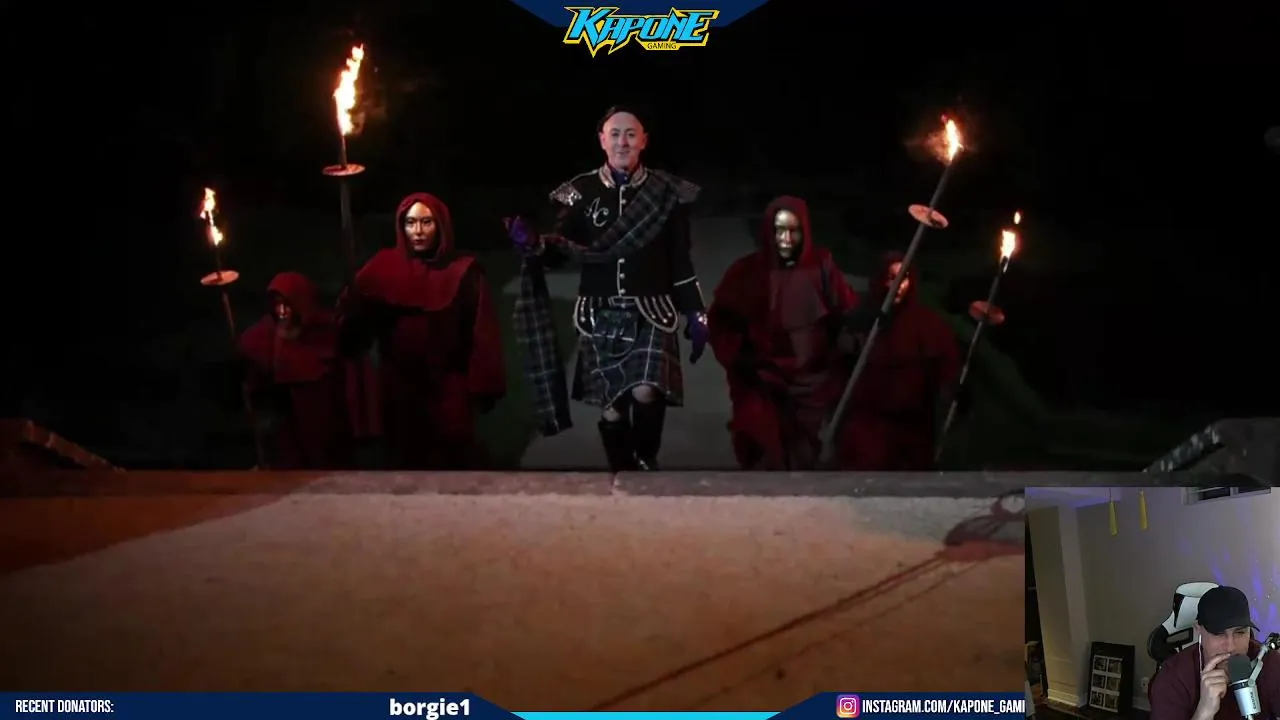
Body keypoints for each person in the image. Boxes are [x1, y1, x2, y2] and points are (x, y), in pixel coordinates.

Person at [506, 106, 708, 472]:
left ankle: (646, 459)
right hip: (597, 312)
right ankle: (623, 472)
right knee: (612, 409)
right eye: (614, 134)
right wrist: (534, 245)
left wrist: (695, 311)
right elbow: (560, 251)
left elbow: (680, 261)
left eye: (631, 134)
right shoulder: (578, 191)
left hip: (652, 311)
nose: (622, 142)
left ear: (644, 141)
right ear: (602, 140)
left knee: (646, 389)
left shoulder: (668, 193)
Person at [342, 192, 506, 469]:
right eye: (410, 223)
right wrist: (353, 315)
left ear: (440, 225)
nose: (417, 231)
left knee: (453, 460)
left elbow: (482, 334)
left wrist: (483, 386)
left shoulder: (464, 272)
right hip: (399, 387)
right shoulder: (382, 268)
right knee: (405, 462)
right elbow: (355, 326)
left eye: (426, 222)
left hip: (448, 384)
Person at [707, 196, 861, 470]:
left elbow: (846, 311)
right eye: (779, 231)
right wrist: (742, 356)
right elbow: (722, 321)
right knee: (759, 438)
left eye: (794, 231)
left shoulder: (821, 265)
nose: (786, 240)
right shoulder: (746, 272)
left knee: (807, 455)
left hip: (812, 379)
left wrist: (849, 337)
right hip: (763, 378)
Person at [836, 251, 962, 470]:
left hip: (912, 430)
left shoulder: (928, 325)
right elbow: (840, 361)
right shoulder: (862, 318)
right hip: (868, 427)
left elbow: (945, 367)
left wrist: (951, 389)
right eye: (891, 277)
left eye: (903, 278)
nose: (896, 285)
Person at [239, 271, 361, 469]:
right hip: (287, 421)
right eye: (277, 304)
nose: (282, 311)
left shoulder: (324, 332)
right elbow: (254, 363)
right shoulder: (267, 332)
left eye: (287, 304)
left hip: (322, 421)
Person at [1150, 585, 1280, 720]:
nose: (1230, 647)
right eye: (1218, 634)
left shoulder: (1269, 662)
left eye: (1240, 632)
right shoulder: (1173, 677)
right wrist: (1204, 712)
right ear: (1198, 630)